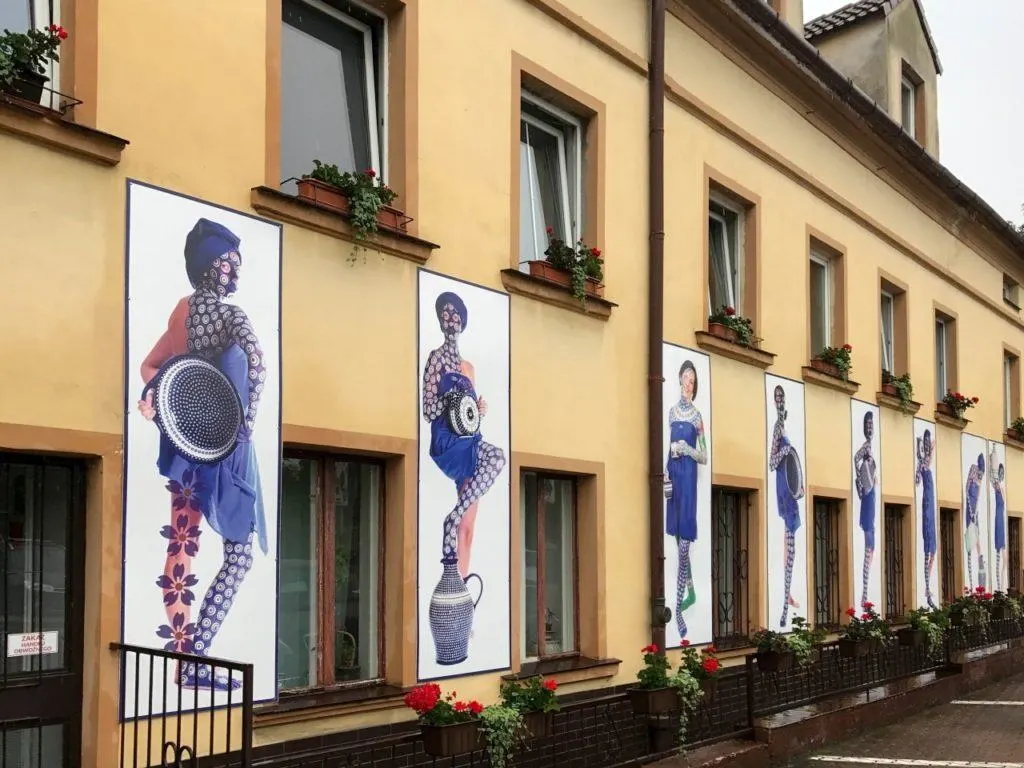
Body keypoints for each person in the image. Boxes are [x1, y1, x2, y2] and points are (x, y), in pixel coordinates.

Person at [137, 218, 268, 690]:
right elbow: (258, 363)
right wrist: (248, 419)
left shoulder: (181, 311)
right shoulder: (231, 316)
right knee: (238, 555)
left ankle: (184, 661)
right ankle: (195, 658)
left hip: (188, 442)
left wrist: (162, 400)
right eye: (231, 263)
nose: (236, 272)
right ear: (213, 265)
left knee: (182, 542)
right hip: (228, 448)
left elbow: (151, 366)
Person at [421, 292, 506, 579]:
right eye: (446, 313)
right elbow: (428, 411)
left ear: (462, 321)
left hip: (470, 440)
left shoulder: (469, 368)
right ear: (440, 320)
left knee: (468, 528)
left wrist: (477, 410)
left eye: (456, 313)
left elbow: (467, 415)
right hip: (447, 441)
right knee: (497, 457)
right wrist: (450, 400)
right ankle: (453, 515)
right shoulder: (436, 359)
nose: (451, 318)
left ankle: (459, 587)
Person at [665, 361, 708, 640]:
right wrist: (667, 466)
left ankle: (679, 608)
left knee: (684, 545)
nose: (688, 383)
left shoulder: (697, 417)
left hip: (689, 478)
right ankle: (688, 593)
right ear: (680, 379)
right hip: (673, 476)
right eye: (685, 378)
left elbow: (704, 456)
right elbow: (667, 447)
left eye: (692, 380)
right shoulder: (671, 413)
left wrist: (687, 449)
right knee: (677, 538)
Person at [769, 384, 803, 628]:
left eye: (782, 398)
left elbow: (793, 464)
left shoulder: (784, 427)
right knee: (789, 545)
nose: (780, 402)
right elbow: (772, 462)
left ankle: (787, 594)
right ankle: (783, 606)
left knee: (790, 545)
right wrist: (785, 452)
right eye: (777, 398)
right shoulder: (777, 429)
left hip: (791, 490)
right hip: (783, 491)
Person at [854, 412, 878, 608]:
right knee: (869, 545)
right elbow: (856, 459)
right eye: (867, 425)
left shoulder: (870, 447)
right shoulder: (865, 448)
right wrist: (861, 484)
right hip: (868, 498)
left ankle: (865, 590)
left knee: (871, 546)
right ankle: (864, 592)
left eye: (871, 425)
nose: (869, 428)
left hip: (871, 496)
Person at [915, 430, 937, 608]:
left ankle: (927, 585)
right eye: (926, 444)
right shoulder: (922, 464)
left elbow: (931, 451)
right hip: (927, 505)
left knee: (933, 551)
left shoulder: (927, 462)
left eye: (929, 444)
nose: (929, 447)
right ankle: (927, 587)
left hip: (931, 506)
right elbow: (917, 480)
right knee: (928, 551)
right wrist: (919, 463)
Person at [964, 453, 985, 590]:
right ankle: (970, 577)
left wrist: (975, 512)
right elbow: (967, 491)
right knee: (969, 536)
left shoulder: (980, 477)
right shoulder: (973, 470)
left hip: (974, 510)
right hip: (969, 508)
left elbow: (977, 496)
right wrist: (971, 511)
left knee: (976, 535)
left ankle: (980, 559)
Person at [989, 447, 1006, 592]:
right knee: (999, 552)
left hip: (1000, 518)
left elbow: (1003, 500)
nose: (1000, 475)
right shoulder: (996, 486)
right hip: (998, 519)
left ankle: (1001, 584)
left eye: (1001, 473)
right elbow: (992, 480)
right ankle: (999, 584)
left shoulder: (1000, 488)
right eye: (999, 472)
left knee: (1002, 555)